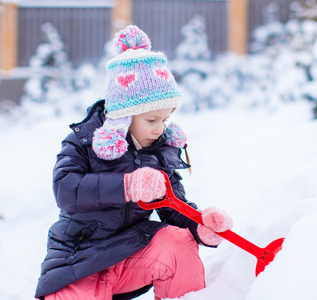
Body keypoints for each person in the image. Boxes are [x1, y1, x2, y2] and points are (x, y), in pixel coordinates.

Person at [35, 25, 232, 300]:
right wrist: (127, 186)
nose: (159, 129)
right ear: (123, 116)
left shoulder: (159, 150)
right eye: (151, 120)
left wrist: (200, 226)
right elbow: (66, 191)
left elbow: (173, 207)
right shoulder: (82, 141)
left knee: (177, 241)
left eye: (165, 119)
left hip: (130, 253)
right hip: (78, 260)